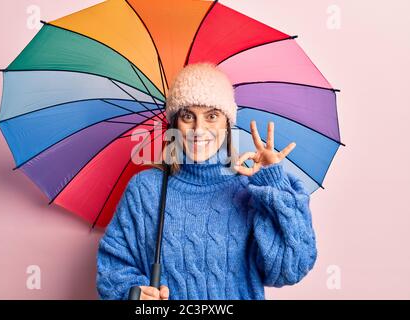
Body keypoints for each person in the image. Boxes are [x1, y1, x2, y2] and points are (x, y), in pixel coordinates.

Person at [96, 62, 317, 300]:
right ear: (174, 124)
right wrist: (135, 294)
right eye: (188, 116)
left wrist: (272, 181)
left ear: (226, 124)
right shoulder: (145, 190)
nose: (198, 129)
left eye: (211, 116)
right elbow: (113, 267)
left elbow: (291, 269)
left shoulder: (248, 190)